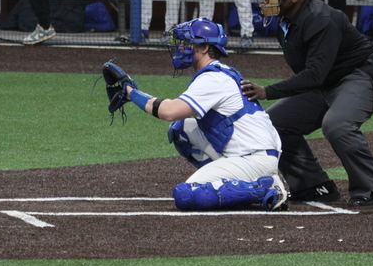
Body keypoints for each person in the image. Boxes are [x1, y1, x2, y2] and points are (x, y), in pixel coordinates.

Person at [241, 0, 373, 207]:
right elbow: (312, 74)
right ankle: (313, 186)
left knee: (338, 125)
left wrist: (268, 91)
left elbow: (313, 74)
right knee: (271, 124)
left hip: (360, 76)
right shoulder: (287, 20)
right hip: (326, 83)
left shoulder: (321, 19)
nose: (266, 0)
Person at [119, 17, 286, 212]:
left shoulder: (213, 79)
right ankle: (228, 184)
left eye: (187, 42)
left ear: (205, 47)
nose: (181, 47)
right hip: (247, 153)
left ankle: (264, 187)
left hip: (254, 158)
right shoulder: (217, 73)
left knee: (186, 195)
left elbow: (170, 111)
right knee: (182, 129)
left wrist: (131, 93)